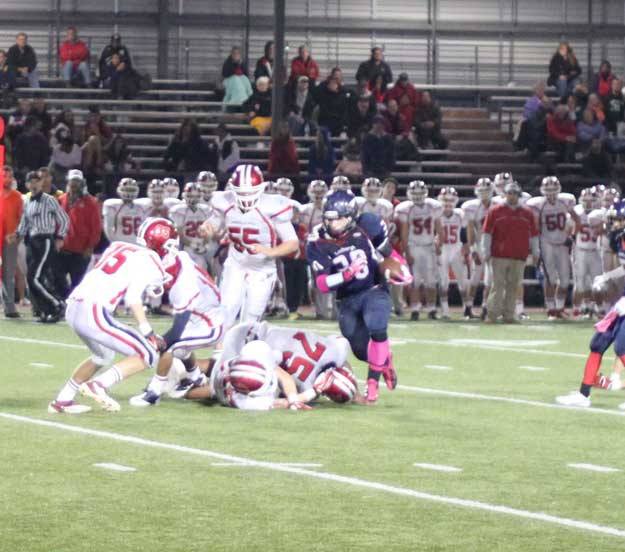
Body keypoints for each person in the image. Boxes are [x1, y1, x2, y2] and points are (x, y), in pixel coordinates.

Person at [48, 218, 174, 414]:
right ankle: (97, 385)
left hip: (74, 305)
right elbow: (133, 298)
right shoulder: (152, 260)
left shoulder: (118, 245)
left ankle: (62, 400)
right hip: (93, 310)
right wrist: (148, 332)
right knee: (148, 353)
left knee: (103, 355)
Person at [307, 190, 411, 402]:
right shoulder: (317, 242)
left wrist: (402, 267)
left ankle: (372, 386)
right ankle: (385, 361)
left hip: (374, 289)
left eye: (338, 219)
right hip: (346, 299)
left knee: (377, 326)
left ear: (350, 217)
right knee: (361, 350)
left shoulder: (367, 225)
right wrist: (346, 274)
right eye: (328, 218)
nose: (332, 223)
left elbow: (388, 253)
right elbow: (322, 285)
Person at [202, 164, 299, 331]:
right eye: (241, 191)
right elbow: (213, 223)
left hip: (262, 268)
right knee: (226, 311)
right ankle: (220, 354)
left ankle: (244, 353)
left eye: (249, 191)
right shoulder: (224, 202)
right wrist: (206, 228)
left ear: (260, 188)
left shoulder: (273, 206)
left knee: (251, 320)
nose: (245, 196)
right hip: (236, 264)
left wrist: (270, 251)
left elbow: (292, 243)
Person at [129, 245, 224, 407]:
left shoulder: (183, 287)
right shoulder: (179, 257)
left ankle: (154, 392)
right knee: (179, 346)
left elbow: (176, 331)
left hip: (211, 325)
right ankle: (196, 377)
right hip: (204, 316)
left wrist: (158, 341)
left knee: (169, 346)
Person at [7, 170, 69, 323]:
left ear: (41, 183)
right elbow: (24, 223)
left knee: (33, 278)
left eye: (37, 181)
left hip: (44, 239)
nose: (34, 184)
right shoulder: (27, 201)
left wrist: (60, 236)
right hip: (32, 241)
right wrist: (16, 235)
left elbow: (64, 219)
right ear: (27, 184)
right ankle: (46, 309)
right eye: (31, 181)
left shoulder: (49, 200)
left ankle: (57, 305)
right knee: (35, 278)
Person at [482, 180, 539, 323]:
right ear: (504, 194)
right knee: (498, 285)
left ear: (519, 195)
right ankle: (492, 314)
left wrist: (536, 252)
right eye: (509, 193)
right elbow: (487, 233)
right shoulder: (495, 211)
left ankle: (509, 314)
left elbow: (534, 234)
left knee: (513, 286)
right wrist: (485, 251)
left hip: (519, 254)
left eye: (514, 193)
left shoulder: (527, 213)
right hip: (499, 254)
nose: (511, 196)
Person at [396, 180, 442, 320]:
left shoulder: (433, 206)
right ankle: (415, 309)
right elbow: (404, 232)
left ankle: (432, 308)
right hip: (414, 246)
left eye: (420, 193)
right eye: (414, 194)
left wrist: (439, 242)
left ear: (425, 193)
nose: (417, 196)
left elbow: (439, 228)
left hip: (429, 246)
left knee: (431, 280)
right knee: (414, 281)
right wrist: (407, 251)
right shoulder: (406, 208)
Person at [56, 170, 102, 298]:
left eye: (77, 181)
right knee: (58, 279)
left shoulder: (91, 202)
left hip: (81, 251)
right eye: (72, 181)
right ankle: (63, 304)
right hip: (62, 249)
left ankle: (75, 308)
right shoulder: (61, 200)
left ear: (82, 183)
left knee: (78, 283)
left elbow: (96, 228)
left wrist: (90, 246)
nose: (74, 184)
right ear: (68, 182)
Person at [461, 178, 495, 320]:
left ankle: (485, 307)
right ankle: (468, 307)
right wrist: (473, 248)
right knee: (475, 278)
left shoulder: (498, 204)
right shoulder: (472, 207)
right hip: (480, 245)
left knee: (489, 279)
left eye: (486, 191)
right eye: (481, 191)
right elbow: (470, 229)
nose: (484, 194)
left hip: (494, 246)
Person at [436, 187, 470, 319]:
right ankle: (445, 311)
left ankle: (466, 308)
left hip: (457, 249)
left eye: (451, 200)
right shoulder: (436, 214)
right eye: (445, 200)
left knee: (462, 281)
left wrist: (467, 246)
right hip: (442, 250)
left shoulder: (460, 214)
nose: (448, 203)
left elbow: (465, 232)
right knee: (443, 281)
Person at [170, 182, 219, 272]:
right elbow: (179, 233)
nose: (193, 199)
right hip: (186, 246)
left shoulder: (206, 209)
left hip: (204, 243)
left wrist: (205, 242)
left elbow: (210, 229)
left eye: (196, 196)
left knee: (214, 257)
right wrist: (192, 244)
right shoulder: (178, 210)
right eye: (190, 196)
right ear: (184, 195)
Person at [571, 188, 604, 319]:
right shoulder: (576, 212)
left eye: (591, 201)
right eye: (586, 200)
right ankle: (580, 308)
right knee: (580, 282)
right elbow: (569, 231)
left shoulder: (601, 213)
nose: (589, 203)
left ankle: (597, 307)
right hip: (580, 250)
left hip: (596, 250)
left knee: (597, 282)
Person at [0, 166, 23, 318]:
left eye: (10, 176)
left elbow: (22, 220)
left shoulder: (17, 197)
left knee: (9, 273)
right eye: (4, 176)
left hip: (10, 239)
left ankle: (9, 308)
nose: (7, 179)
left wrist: (17, 236)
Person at [102, 178, 145, 244]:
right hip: (121, 244)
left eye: (131, 190)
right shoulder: (113, 205)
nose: (129, 192)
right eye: (126, 189)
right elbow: (108, 229)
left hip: (138, 245)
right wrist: (114, 243)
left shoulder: (142, 205)